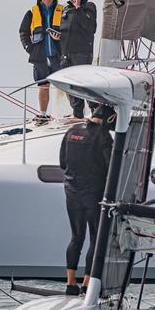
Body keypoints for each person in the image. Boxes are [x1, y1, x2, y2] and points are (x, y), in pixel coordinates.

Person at [59, 105, 114, 296]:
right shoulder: (104, 136)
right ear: (110, 119)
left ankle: (70, 284)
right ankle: (87, 284)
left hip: (71, 192)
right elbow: (111, 169)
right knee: (95, 239)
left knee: (76, 237)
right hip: (94, 195)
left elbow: (63, 163)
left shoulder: (72, 130)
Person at [19, 0, 64, 125]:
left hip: (58, 54)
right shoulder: (32, 12)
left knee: (66, 83)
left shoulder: (63, 11)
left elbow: (69, 31)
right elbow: (23, 32)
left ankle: (75, 113)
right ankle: (43, 115)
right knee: (43, 85)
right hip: (40, 54)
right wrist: (29, 48)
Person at [59, 0, 98, 118]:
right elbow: (64, 29)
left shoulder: (89, 6)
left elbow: (90, 27)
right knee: (71, 85)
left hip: (82, 52)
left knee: (84, 83)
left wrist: (78, 8)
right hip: (66, 53)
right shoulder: (65, 10)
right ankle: (77, 114)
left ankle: (96, 112)